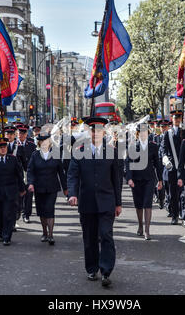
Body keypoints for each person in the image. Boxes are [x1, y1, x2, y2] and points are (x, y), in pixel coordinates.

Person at [67, 117, 122, 287]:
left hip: (107, 201)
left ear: (103, 132)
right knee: (90, 238)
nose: (96, 133)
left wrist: (118, 203)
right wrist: (73, 194)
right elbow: (73, 174)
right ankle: (92, 268)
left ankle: (106, 271)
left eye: (99, 131)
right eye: (93, 130)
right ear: (89, 132)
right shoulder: (79, 151)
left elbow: (117, 179)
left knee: (106, 234)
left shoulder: (112, 152)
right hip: (87, 202)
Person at [27, 132, 68, 245]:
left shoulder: (55, 154)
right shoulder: (35, 155)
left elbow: (61, 172)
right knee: (41, 211)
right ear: (39, 143)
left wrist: (65, 188)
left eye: (46, 141)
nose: (44, 143)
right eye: (42, 141)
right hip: (39, 187)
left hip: (52, 187)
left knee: (49, 209)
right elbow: (30, 171)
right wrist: (30, 183)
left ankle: (50, 234)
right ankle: (44, 232)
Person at [0, 137, 26, 246]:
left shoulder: (13, 159)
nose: (3, 149)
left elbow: (19, 175)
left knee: (9, 214)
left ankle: (7, 237)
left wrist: (22, 189)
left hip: (11, 192)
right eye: (0, 147)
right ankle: (2, 234)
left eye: (5, 147)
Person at [125, 124, 163, 240]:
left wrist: (160, 180)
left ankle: (147, 230)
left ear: (148, 133)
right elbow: (128, 163)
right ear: (137, 134)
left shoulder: (153, 146)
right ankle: (140, 226)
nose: (143, 134)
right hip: (136, 180)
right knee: (138, 204)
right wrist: (129, 178)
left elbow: (158, 164)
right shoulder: (132, 147)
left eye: (145, 132)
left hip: (149, 179)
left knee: (147, 203)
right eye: (141, 132)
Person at [160, 110, 185, 223]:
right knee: (173, 193)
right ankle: (175, 215)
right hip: (172, 166)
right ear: (172, 119)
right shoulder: (167, 134)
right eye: (175, 118)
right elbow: (164, 149)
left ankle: (184, 214)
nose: (177, 120)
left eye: (179, 118)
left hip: (184, 167)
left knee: (184, 192)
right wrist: (164, 158)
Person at [16, 123, 36, 223]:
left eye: (23, 133)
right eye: (20, 133)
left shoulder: (31, 145)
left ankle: (26, 214)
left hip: (28, 172)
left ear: (26, 134)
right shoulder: (14, 145)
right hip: (18, 174)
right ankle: (18, 211)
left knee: (28, 195)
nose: (21, 135)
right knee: (19, 195)